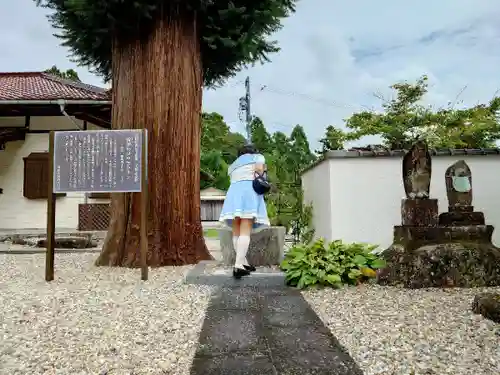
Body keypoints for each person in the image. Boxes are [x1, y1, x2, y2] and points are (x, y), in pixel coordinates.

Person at [219, 144, 270, 278]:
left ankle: (243, 263)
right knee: (245, 229)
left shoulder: (233, 164)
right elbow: (259, 170)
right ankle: (237, 266)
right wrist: (263, 171)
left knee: (236, 230)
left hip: (233, 194)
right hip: (248, 193)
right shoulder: (257, 157)